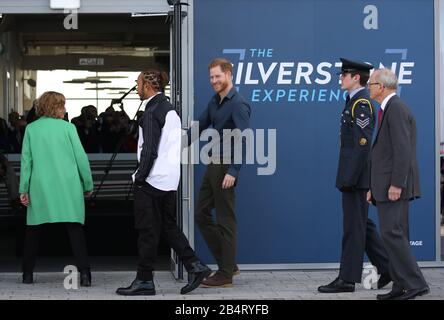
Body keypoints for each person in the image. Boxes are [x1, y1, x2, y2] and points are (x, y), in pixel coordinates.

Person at [116, 70, 211, 296]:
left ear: (148, 85)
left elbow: (149, 150)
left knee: (147, 232)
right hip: (168, 180)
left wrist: (139, 178)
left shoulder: (151, 112)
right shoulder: (169, 110)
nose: (136, 86)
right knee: (167, 226)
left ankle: (145, 281)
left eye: (138, 82)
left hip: (151, 181)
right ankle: (195, 266)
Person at [318, 58, 391, 294]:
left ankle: (347, 279)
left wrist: (349, 178)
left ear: (355, 77)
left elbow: (362, 144)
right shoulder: (353, 101)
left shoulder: (361, 103)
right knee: (362, 224)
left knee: (353, 227)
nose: (340, 78)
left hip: (356, 177)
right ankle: (388, 267)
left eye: (344, 75)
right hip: (352, 175)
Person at [187, 58, 251, 288]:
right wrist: (177, 144)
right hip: (213, 163)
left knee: (226, 220)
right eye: (211, 77)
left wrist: (233, 171)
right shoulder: (215, 101)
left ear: (229, 75)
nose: (214, 81)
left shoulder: (238, 104)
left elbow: (244, 139)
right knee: (201, 214)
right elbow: (201, 125)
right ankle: (229, 263)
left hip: (227, 166)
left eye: (218, 76)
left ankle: (225, 273)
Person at [19, 91, 93, 286]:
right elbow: (81, 159)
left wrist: (23, 189)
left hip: (40, 186)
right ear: (55, 107)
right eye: (62, 105)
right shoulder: (68, 128)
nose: (65, 109)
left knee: (33, 231)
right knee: (75, 229)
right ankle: (85, 275)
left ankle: (27, 274)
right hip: (68, 186)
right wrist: (88, 184)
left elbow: (26, 162)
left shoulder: (31, 129)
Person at [367, 68, 429, 300]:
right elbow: (384, 153)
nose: (368, 88)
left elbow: (402, 152)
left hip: (394, 187)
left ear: (381, 87)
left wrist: (396, 184)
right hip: (385, 185)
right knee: (394, 234)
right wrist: (374, 187)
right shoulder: (389, 109)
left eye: (371, 84)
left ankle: (415, 284)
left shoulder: (396, 109)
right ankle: (400, 285)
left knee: (393, 233)